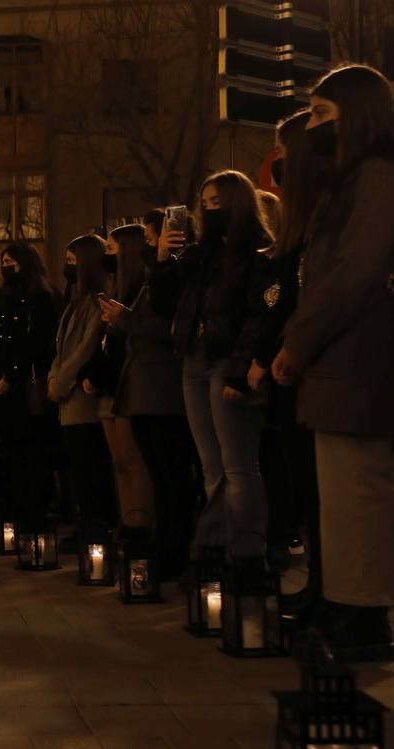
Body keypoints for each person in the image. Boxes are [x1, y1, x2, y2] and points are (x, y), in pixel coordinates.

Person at [272, 64, 394, 656]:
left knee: (359, 499)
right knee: (341, 502)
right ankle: (346, 603)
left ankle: (363, 615)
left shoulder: (374, 178)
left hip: (357, 363)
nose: (312, 126)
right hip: (337, 366)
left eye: (321, 114)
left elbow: (355, 274)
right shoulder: (349, 185)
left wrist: (299, 340)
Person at [151, 170, 272, 570]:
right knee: (211, 465)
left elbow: (258, 315)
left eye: (217, 202)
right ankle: (216, 549)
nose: (209, 209)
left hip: (226, 360)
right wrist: (164, 260)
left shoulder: (256, 251)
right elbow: (167, 304)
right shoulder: (199, 255)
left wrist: (240, 370)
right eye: (204, 203)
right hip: (195, 360)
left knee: (238, 465)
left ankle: (245, 553)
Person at [253, 110, 327, 604]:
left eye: (282, 151)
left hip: (317, 375)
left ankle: (337, 589)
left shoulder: (328, 217)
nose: (276, 161)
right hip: (290, 378)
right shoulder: (295, 229)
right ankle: (325, 582)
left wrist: (288, 349)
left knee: (324, 493)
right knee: (307, 487)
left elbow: (317, 296)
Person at [98, 225, 198, 581]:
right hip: (143, 391)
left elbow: (166, 327)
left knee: (172, 478)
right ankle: (164, 546)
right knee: (159, 474)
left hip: (162, 392)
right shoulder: (145, 283)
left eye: (154, 236)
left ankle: (175, 550)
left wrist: (124, 320)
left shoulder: (169, 279)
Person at [86, 227, 156, 537]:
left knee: (132, 460)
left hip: (128, 384)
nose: (107, 256)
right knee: (119, 463)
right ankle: (127, 520)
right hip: (109, 386)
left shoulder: (140, 290)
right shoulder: (116, 290)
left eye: (112, 249)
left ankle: (139, 522)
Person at [49, 235, 117, 547]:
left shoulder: (96, 303)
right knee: (78, 469)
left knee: (91, 469)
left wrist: (61, 381)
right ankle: (84, 523)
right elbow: (62, 348)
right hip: (67, 400)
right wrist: (53, 377)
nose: (68, 266)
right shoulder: (73, 304)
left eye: (73, 260)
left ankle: (96, 527)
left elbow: (87, 348)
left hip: (82, 401)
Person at [0, 243, 59, 533]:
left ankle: (37, 510)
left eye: (11, 261)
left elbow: (37, 343)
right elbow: (2, 340)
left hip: (28, 383)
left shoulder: (41, 298)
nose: (6, 267)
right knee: (13, 450)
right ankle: (18, 509)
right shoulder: (6, 299)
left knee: (32, 450)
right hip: (8, 385)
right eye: (3, 261)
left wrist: (12, 375)